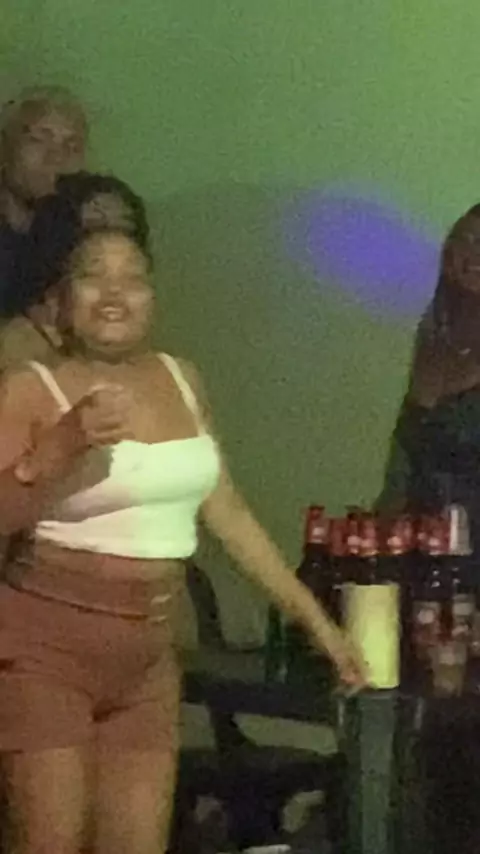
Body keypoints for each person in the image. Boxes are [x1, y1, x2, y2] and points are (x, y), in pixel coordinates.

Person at [0, 179, 364, 854]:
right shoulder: (30, 387)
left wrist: (317, 623)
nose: (114, 293)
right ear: (61, 298)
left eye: (133, 278)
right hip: (44, 652)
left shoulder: (181, 378)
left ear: (152, 295)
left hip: (147, 656)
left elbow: (227, 512)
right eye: (93, 277)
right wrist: (58, 447)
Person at [377, 205, 480, 854]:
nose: (473, 253)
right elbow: (404, 455)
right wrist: (380, 552)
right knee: (431, 739)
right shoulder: (436, 334)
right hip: (427, 565)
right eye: (464, 240)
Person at [0, 170, 150, 370]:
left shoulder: (162, 366)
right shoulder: (18, 348)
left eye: (124, 226)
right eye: (96, 227)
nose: (112, 241)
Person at [0, 86, 87, 316]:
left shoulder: (78, 229)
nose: (56, 156)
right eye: (38, 140)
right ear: (5, 146)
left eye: (72, 146)